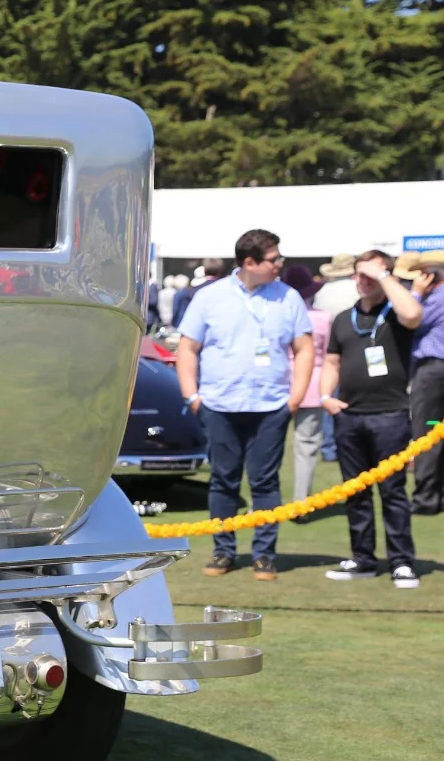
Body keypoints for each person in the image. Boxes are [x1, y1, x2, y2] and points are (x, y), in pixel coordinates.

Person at [176, 229, 313, 580]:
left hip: (270, 405)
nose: (280, 264)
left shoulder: (289, 297)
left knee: (265, 483)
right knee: (223, 480)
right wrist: (192, 396)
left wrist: (294, 398)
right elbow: (187, 347)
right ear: (250, 262)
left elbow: (304, 348)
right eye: (274, 259)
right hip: (219, 404)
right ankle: (223, 552)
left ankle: (264, 555)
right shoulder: (210, 297)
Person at [320, 250, 423, 588]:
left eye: (370, 276)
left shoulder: (396, 313)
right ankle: (362, 558)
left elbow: (412, 313)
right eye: (359, 275)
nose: (363, 281)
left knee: (392, 491)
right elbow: (332, 362)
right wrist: (326, 398)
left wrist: (382, 275)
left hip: (390, 415)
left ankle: (402, 562)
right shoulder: (342, 319)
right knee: (356, 492)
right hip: (349, 416)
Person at [282, 264, 331, 507]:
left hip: (280, 383)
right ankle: (301, 503)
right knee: (307, 446)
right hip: (313, 382)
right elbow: (329, 353)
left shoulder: (279, 314)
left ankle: (263, 503)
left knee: (269, 447)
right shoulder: (322, 319)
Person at [404, 251, 444, 515]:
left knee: (427, 431)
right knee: (435, 430)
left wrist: (415, 294)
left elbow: (410, 321)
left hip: (432, 372)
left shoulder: (435, 299)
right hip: (434, 372)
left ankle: (427, 498)